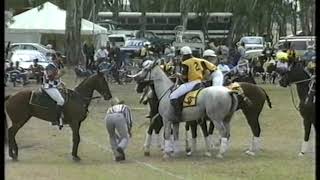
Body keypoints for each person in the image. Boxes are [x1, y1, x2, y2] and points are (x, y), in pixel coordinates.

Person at [169, 46, 218, 123]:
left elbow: (185, 77)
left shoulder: (185, 62)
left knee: (173, 96)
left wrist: (179, 75)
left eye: (182, 55)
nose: (181, 57)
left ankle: (178, 116)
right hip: (200, 82)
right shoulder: (200, 60)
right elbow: (213, 68)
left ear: (184, 55)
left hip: (191, 83)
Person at [105, 97, 133, 161]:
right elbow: (129, 120)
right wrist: (129, 130)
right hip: (119, 116)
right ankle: (120, 147)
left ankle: (116, 155)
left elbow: (110, 127)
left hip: (108, 117)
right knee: (125, 137)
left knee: (112, 137)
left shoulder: (110, 109)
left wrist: (115, 135)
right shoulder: (125, 107)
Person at [42, 55, 66, 130]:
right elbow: (50, 78)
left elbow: (56, 79)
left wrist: (61, 83)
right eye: (60, 58)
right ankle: (55, 120)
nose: (62, 59)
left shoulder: (56, 66)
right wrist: (61, 74)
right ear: (56, 58)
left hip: (54, 86)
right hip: (49, 87)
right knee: (61, 101)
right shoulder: (50, 66)